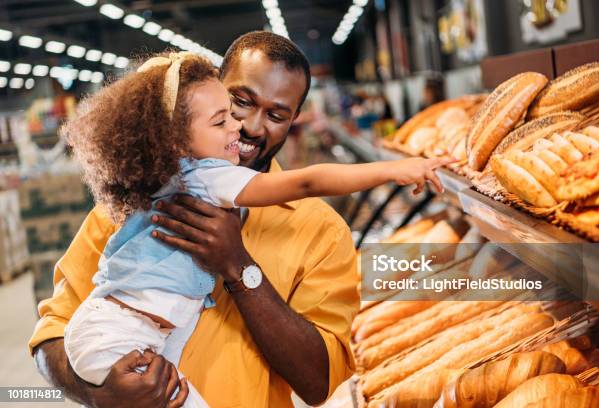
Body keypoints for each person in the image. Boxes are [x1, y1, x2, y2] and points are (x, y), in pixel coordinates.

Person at [29, 31, 448, 407]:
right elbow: (54, 331)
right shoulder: (135, 203)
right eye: (238, 103)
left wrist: (238, 266)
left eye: (276, 115)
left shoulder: (321, 232)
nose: (247, 126)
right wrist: (99, 392)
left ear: (293, 123)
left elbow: (318, 383)